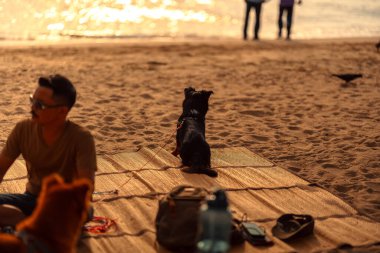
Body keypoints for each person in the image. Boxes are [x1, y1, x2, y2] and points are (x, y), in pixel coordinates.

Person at [0, 74, 97, 227]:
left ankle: (27, 224)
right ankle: (28, 223)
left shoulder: (81, 138)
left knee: (80, 213)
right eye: (32, 100)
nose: (32, 108)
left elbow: (85, 190)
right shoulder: (22, 129)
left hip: (64, 205)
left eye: (40, 105)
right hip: (31, 199)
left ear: (62, 111)